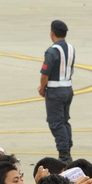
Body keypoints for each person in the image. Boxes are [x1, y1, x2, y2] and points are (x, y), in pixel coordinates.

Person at [38, 19, 75, 164]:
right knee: (65, 121)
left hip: (55, 91)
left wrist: (42, 88)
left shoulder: (53, 51)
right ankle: (67, 149)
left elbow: (45, 74)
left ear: (52, 33)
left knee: (56, 123)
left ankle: (64, 155)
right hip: (68, 88)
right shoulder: (71, 48)